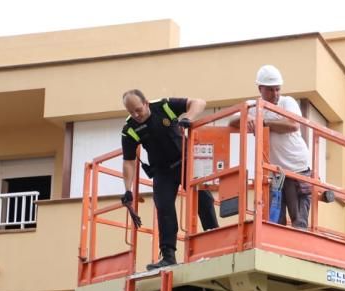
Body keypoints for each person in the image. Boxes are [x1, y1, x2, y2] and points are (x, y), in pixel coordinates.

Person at [120, 89, 219, 270]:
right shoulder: (129, 129)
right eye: (131, 112)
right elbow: (128, 161)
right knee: (164, 207)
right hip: (162, 171)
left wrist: (188, 117)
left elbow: (199, 101)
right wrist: (127, 189)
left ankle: (215, 245)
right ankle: (168, 256)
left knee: (203, 200)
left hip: (185, 161)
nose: (136, 115)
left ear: (146, 103)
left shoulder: (163, 106)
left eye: (138, 110)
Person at [229, 65, 313, 228]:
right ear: (260, 88)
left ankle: (297, 252)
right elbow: (231, 122)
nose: (275, 94)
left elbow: (293, 124)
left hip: (297, 168)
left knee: (299, 221)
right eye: (271, 90)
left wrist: (263, 122)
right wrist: (248, 120)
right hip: (276, 172)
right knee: (276, 221)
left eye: (277, 89)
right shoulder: (253, 106)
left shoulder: (287, 102)